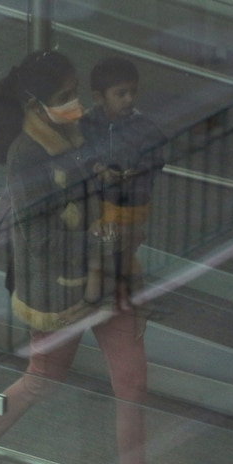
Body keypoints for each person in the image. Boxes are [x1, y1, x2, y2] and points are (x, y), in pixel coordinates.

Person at [0, 50, 180, 464]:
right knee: (41, 381)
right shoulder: (26, 156)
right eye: (63, 98)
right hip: (62, 292)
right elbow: (41, 240)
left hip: (110, 280)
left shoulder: (81, 133)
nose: (74, 104)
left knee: (132, 385)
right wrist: (104, 240)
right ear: (34, 104)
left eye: (74, 93)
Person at [79, 56, 168, 310]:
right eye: (121, 94)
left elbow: (156, 159)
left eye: (132, 92)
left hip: (132, 203)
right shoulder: (87, 124)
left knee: (123, 251)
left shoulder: (143, 127)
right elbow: (79, 152)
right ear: (99, 97)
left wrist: (134, 174)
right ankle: (104, 295)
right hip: (101, 202)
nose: (130, 99)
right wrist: (96, 168)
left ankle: (111, 296)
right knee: (102, 249)